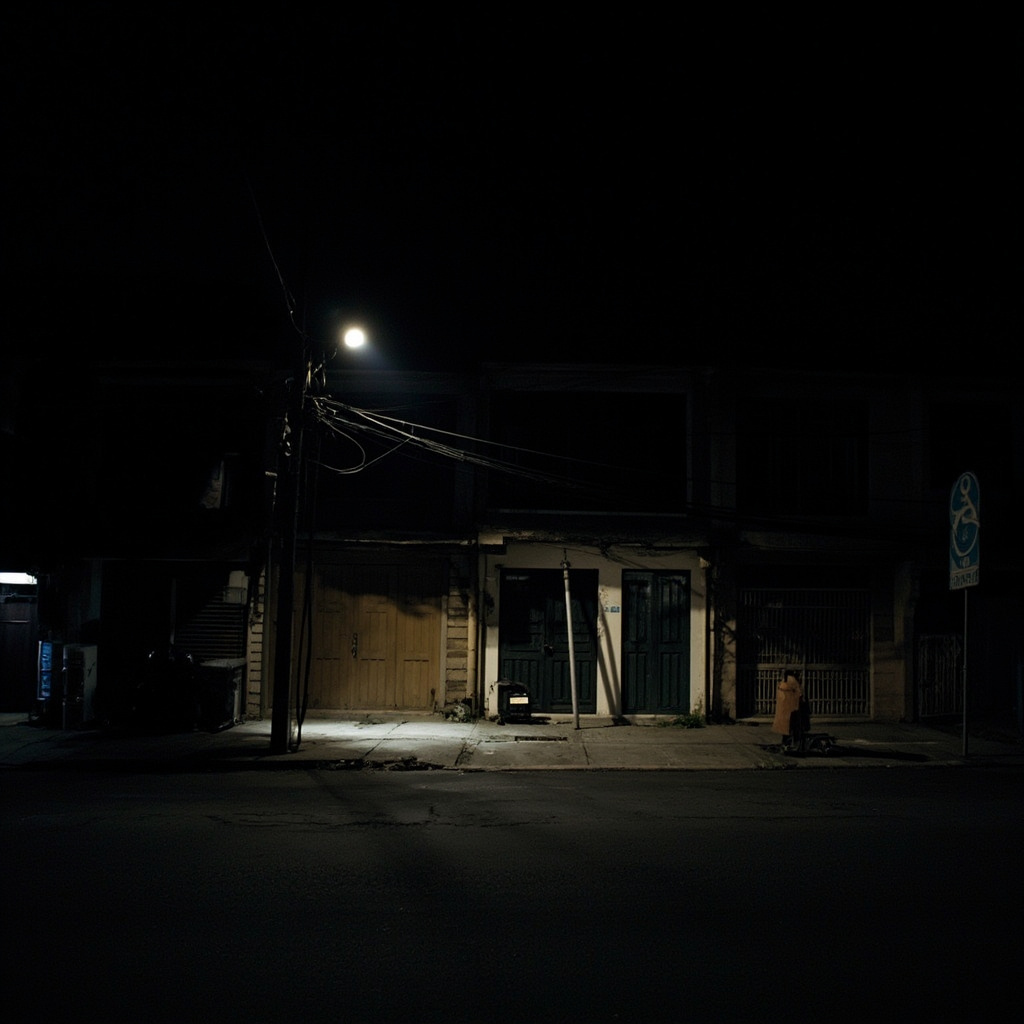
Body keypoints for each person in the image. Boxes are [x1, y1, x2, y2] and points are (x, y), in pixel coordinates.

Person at [772, 670, 804, 749]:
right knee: (795, 728)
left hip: (783, 709)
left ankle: (785, 743)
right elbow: (800, 694)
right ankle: (795, 745)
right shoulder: (793, 681)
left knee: (785, 729)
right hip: (792, 708)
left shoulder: (783, 682)